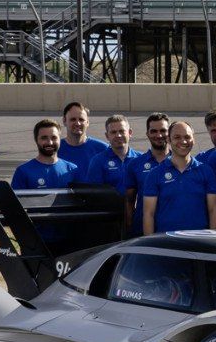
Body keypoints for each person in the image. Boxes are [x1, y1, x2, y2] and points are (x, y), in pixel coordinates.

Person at [11, 119, 80, 253]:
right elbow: (15, 210)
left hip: (69, 241)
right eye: (44, 138)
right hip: (36, 242)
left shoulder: (72, 169)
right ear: (36, 140)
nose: (49, 142)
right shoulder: (24, 171)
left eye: (54, 137)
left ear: (60, 139)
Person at [142, 122, 216, 234]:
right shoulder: (155, 174)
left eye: (187, 137)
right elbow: (149, 214)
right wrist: (151, 246)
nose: (183, 141)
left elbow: (213, 210)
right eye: (177, 137)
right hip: (166, 244)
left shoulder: (206, 171)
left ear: (194, 139)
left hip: (199, 242)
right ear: (168, 139)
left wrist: (213, 242)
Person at [124, 113, 170, 236]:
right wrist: (129, 226)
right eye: (153, 131)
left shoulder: (181, 162)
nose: (159, 135)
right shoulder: (135, 164)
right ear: (147, 134)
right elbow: (129, 201)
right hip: (142, 230)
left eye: (163, 131)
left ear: (169, 133)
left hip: (172, 229)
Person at [85, 114, 141, 195]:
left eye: (122, 131)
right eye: (113, 132)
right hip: (109, 207)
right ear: (107, 136)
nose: (118, 135)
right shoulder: (98, 161)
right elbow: (93, 194)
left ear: (130, 132)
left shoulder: (141, 159)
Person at [57, 101, 107, 181]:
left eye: (81, 119)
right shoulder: (55, 149)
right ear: (64, 121)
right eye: (73, 119)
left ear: (87, 122)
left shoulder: (103, 149)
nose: (77, 123)